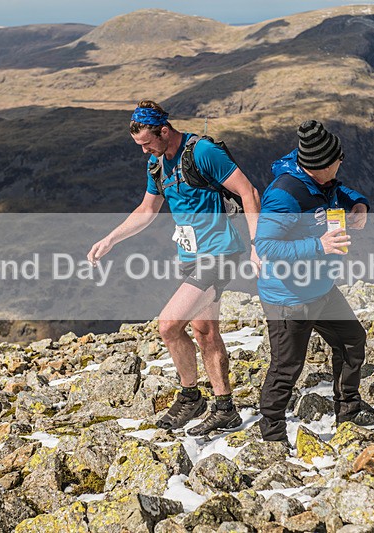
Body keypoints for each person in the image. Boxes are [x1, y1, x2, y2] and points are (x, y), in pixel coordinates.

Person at [88, 100, 261, 436]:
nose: (144, 151)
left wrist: (258, 244)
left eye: (147, 143)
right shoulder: (156, 164)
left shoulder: (203, 152)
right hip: (190, 257)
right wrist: (111, 239)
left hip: (220, 253)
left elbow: (248, 191)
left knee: (168, 326)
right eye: (140, 145)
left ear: (164, 130)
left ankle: (191, 396)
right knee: (204, 332)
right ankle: (225, 408)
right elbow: (147, 209)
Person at [254, 119, 374, 442]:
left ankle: (349, 411)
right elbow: (266, 246)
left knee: (353, 340)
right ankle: (271, 435)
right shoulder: (285, 196)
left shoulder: (317, 176)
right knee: (287, 369)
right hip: (289, 298)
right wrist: (320, 245)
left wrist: (358, 204)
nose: (341, 162)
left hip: (322, 289)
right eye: (337, 160)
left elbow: (337, 189)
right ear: (319, 166)